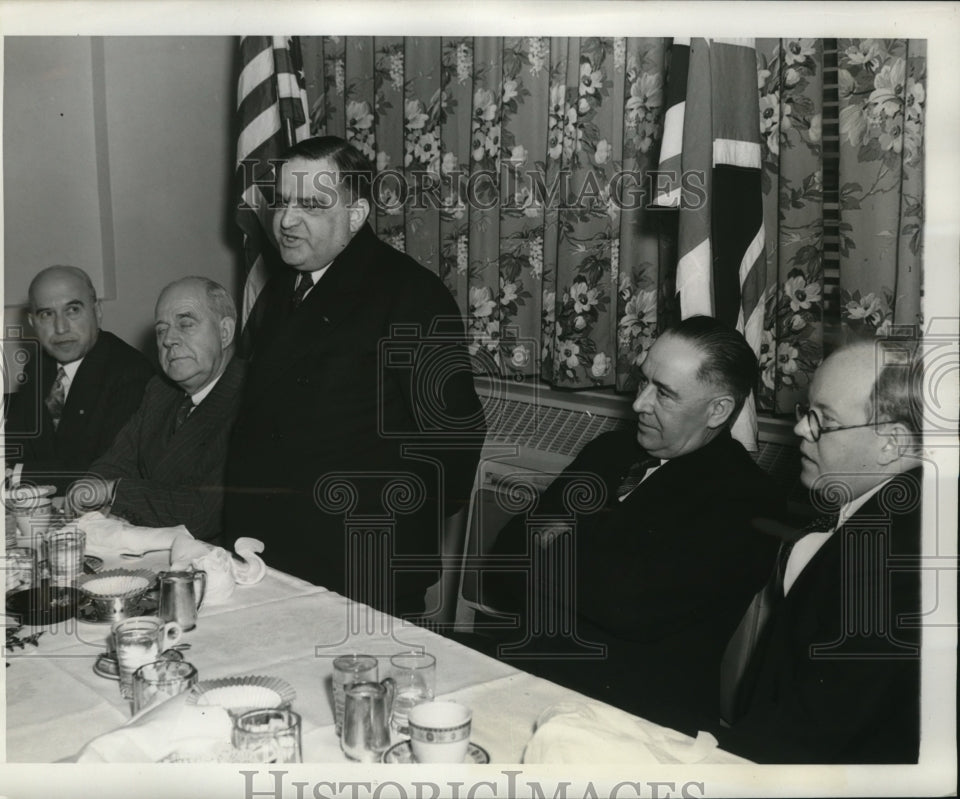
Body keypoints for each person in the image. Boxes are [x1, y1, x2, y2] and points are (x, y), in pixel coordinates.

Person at [479, 316, 785, 733]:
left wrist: (558, 539)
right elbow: (505, 557)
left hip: (633, 718)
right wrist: (597, 561)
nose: (640, 403)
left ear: (718, 411)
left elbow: (630, 608)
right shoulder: (610, 451)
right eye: (644, 382)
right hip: (530, 676)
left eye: (665, 394)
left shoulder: (749, 498)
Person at [224, 135, 486, 619]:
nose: (285, 220)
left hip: (358, 569)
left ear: (356, 214)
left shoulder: (408, 294)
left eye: (312, 205)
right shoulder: (282, 288)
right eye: (281, 201)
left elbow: (456, 436)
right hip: (272, 556)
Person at [717, 338, 924, 763]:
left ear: (892, 443)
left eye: (823, 421)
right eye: (806, 412)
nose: (799, 430)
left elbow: (810, 734)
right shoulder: (903, 514)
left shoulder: (885, 555)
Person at [66, 277, 246, 542]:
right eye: (161, 330)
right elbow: (116, 461)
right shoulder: (161, 391)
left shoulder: (252, 396)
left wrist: (114, 492)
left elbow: (206, 511)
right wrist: (88, 486)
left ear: (225, 332)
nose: (169, 339)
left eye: (186, 324)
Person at [5, 265, 154, 491]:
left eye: (72, 310)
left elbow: (104, 471)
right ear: (33, 322)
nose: (61, 328)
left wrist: (14, 474)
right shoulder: (39, 364)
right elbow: (14, 442)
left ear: (97, 311)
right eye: (46, 314)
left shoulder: (131, 373)